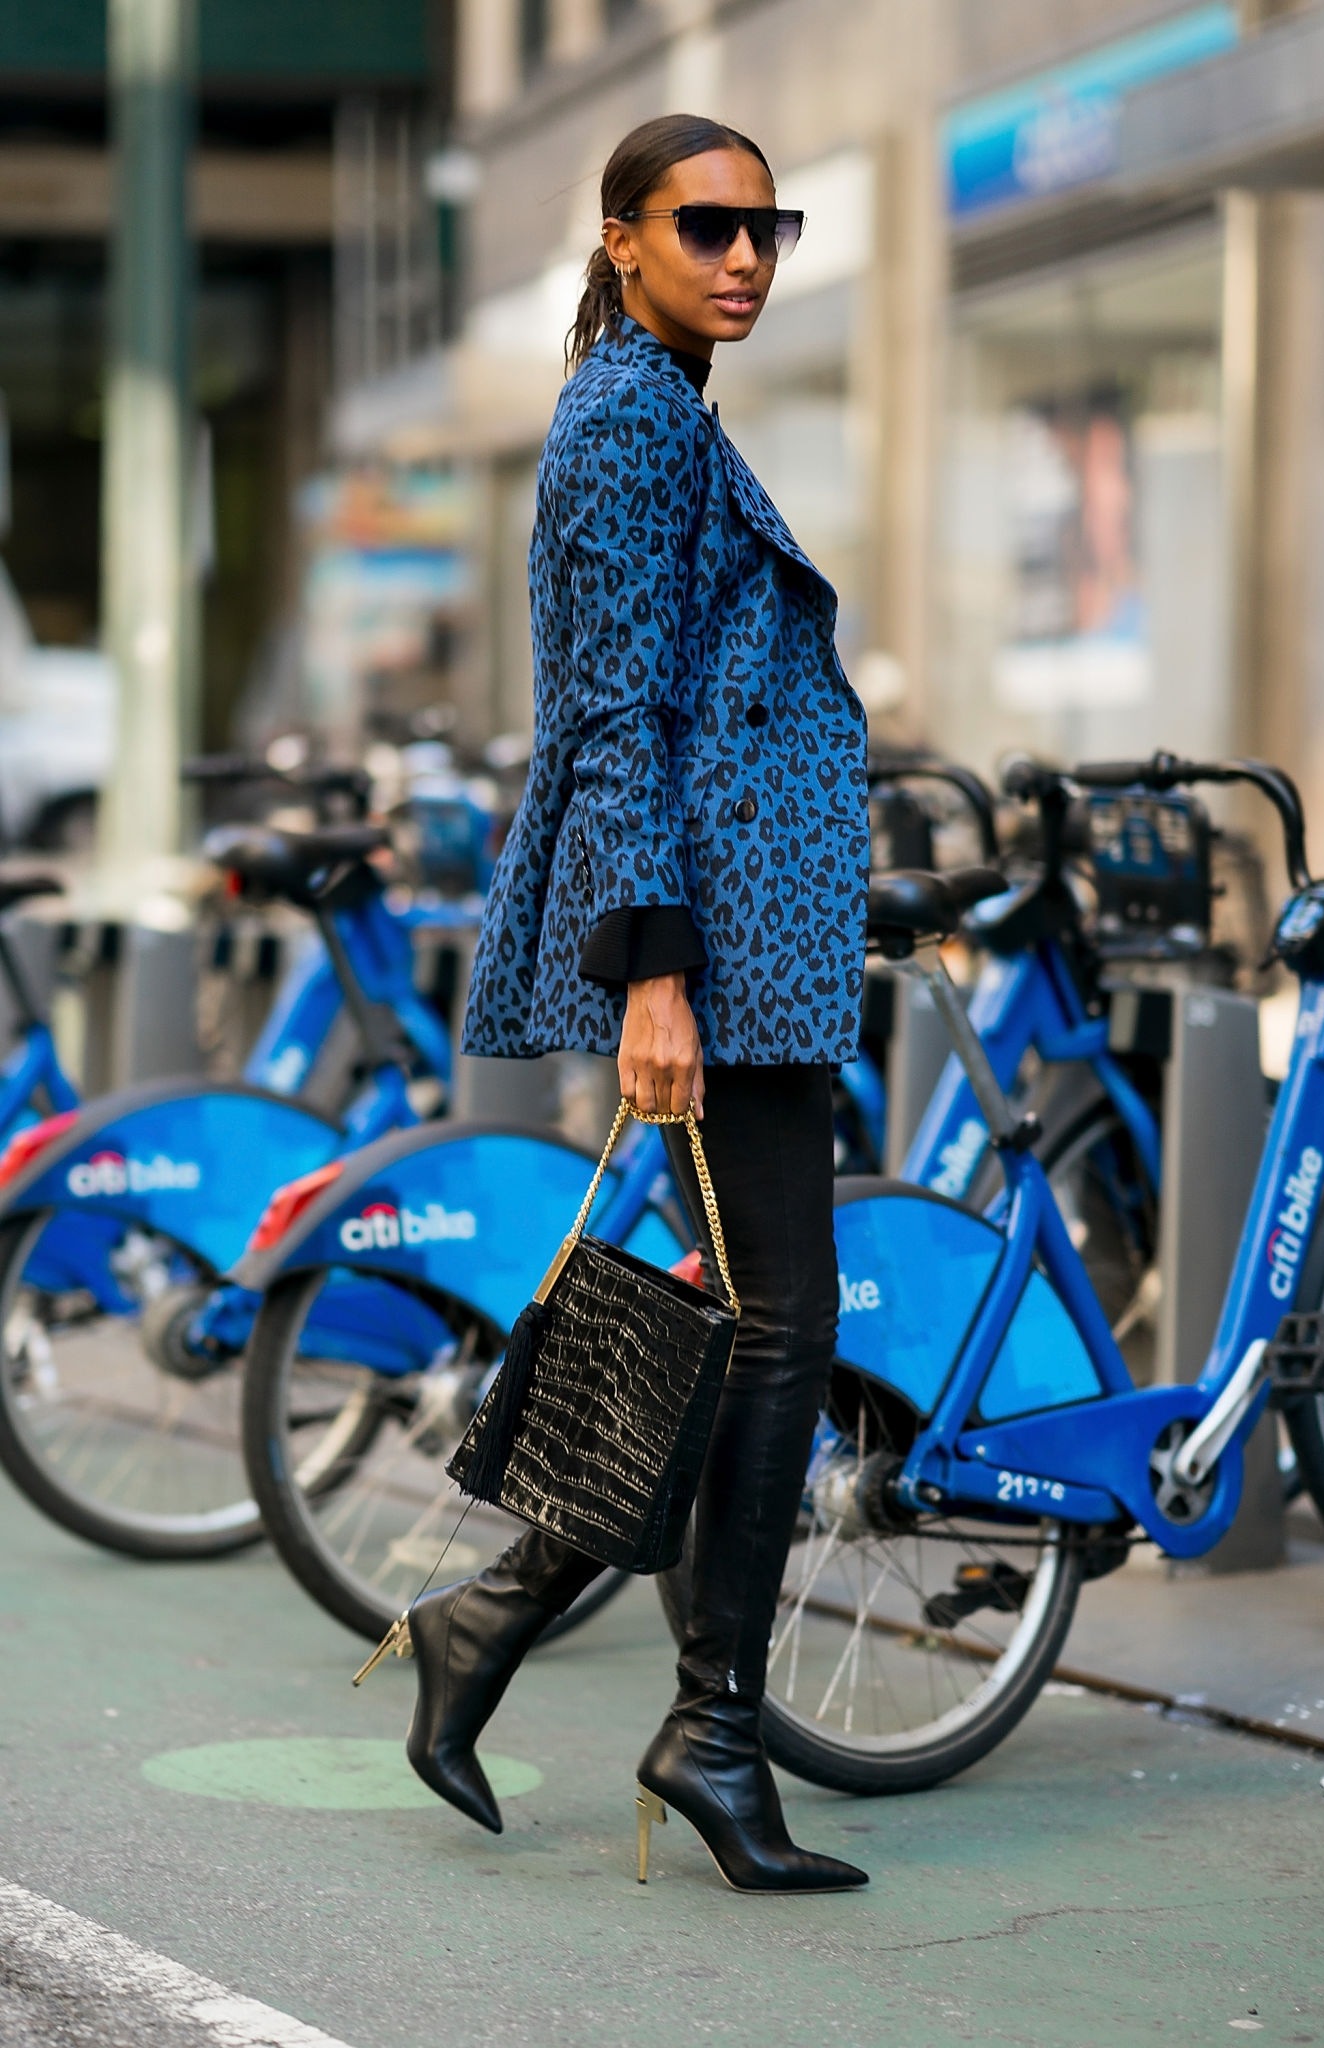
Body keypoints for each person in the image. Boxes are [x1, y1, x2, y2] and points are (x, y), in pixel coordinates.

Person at [403, 113, 870, 1895]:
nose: (744, 256)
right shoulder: (621, 424)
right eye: (707, 227)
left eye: (769, 226)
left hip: (753, 935)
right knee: (776, 1326)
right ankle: (709, 1727)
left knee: (756, 1324)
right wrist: (655, 971)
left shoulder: (667, 408)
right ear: (622, 241)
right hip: (713, 955)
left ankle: (502, 1624)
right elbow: (609, 718)